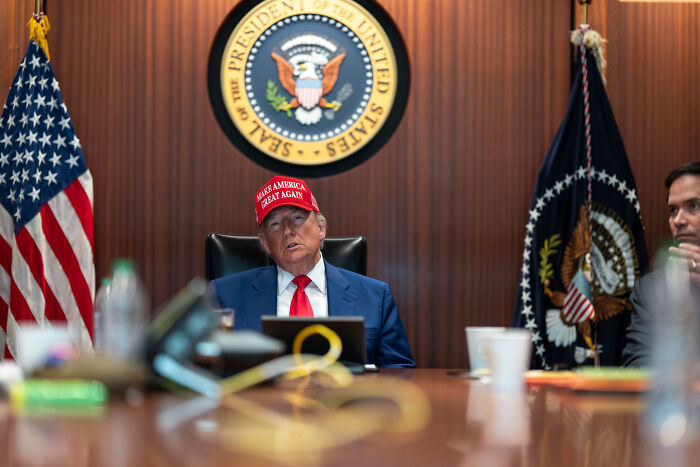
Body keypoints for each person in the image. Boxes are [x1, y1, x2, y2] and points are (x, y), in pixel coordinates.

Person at [210, 176, 415, 368]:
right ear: (265, 243)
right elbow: (205, 369)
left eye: (298, 218)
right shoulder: (224, 295)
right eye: (275, 223)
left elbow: (400, 372)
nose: (288, 230)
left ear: (321, 228)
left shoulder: (375, 297)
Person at [622, 161, 700, 367]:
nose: (678, 220)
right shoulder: (650, 289)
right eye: (673, 210)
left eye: (693, 206)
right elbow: (636, 365)